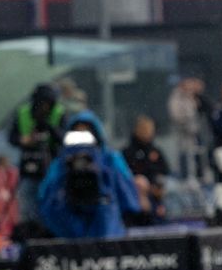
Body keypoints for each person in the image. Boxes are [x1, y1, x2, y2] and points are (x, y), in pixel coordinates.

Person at [37, 110, 141, 239]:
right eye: (77, 134)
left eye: (86, 133)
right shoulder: (60, 163)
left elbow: (126, 192)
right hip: (70, 219)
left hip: (104, 221)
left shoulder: (110, 159)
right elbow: (47, 198)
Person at [9, 83, 66, 231]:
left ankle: (51, 230)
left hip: (53, 167)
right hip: (29, 166)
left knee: (51, 200)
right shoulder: (23, 113)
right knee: (28, 201)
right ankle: (30, 231)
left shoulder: (59, 113)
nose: (44, 108)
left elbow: (64, 138)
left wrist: (49, 128)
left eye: (47, 105)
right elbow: (12, 138)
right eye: (41, 104)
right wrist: (25, 140)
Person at [122, 114, 169, 223]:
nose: (148, 132)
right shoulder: (128, 152)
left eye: (150, 129)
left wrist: (159, 186)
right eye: (145, 128)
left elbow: (165, 171)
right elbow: (126, 175)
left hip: (157, 190)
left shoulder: (156, 151)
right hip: (137, 191)